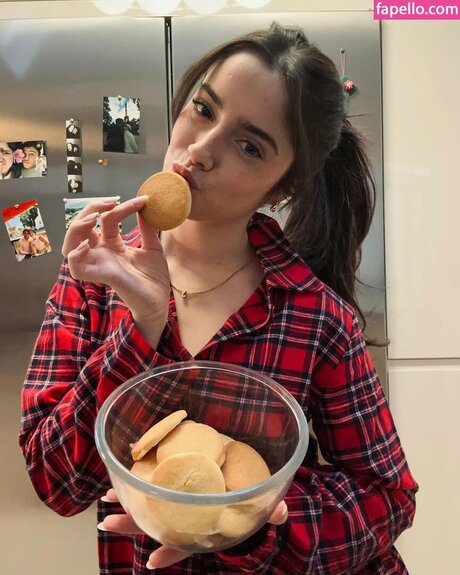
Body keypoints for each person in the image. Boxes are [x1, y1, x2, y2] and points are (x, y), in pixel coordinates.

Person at [19, 23, 417, 575]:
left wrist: (250, 523)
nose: (199, 151)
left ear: (283, 186)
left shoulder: (314, 316)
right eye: (203, 110)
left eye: (249, 146)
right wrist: (142, 325)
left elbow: (387, 499)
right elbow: (56, 483)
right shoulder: (95, 279)